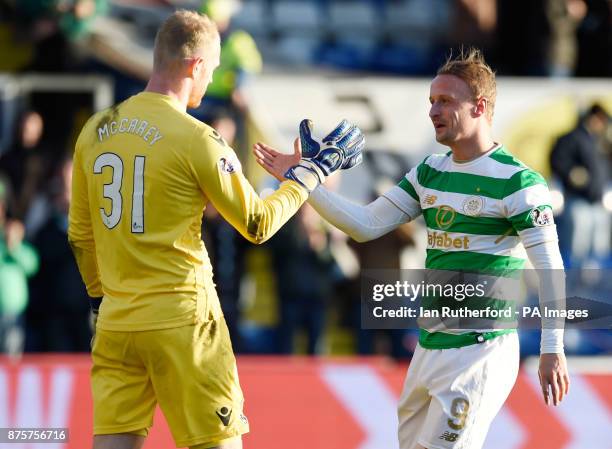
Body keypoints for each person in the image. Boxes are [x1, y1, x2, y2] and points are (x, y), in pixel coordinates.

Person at [68, 10, 363, 449]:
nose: (213, 80)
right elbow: (258, 224)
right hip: (184, 322)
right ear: (195, 66)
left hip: (117, 323)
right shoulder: (197, 138)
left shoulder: (96, 130)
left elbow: (81, 234)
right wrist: (309, 175)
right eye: (215, 67)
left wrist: (101, 301)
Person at [254, 48, 570, 449]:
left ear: (480, 106)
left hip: (479, 352)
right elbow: (364, 225)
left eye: (446, 101)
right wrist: (303, 180)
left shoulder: (519, 182)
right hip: (428, 348)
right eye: (431, 101)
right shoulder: (429, 172)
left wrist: (552, 349)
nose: (434, 110)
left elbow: (550, 267)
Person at [550, 103, 610, 267]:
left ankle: (594, 278)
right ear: (593, 118)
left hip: (597, 201)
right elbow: (558, 160)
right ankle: (574, 278)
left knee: (599, 244)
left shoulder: (600, 141)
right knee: (578, 242)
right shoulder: (572, 138)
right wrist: (571, 172)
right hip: (577, 199)